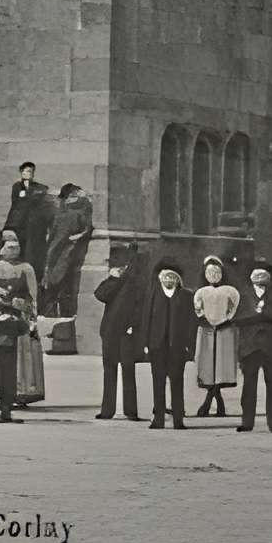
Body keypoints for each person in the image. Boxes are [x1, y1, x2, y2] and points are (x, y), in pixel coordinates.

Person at [234, 257, 272, 433]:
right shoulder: (242, 294)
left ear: (269, 277)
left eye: (264, 274)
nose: (260, 277)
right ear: (251, 276)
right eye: (256, 273)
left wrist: (259, 314)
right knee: (249, 386)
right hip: (249, 347)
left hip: (271, 346)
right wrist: (261, 315)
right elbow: (237, 318)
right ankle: (247, 422)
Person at [94, 243, 147, 422]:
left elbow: (140, 306)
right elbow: (100, 294)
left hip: (126, 331)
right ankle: (109, 410)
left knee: (127, 368)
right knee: (111, 369)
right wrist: (113, 279)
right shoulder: (116, 281)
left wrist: (134, 326)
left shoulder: (137, 281)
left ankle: (129, 410)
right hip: (111, 329)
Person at [143, 257, 197, 430]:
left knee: (177, 382)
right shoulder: (152, 294)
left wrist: (190, 344)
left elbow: (191, 323)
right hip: (157, 345)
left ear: (177, 279)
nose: (169, 280)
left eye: (172, 277)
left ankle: (178, 419)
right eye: (165, 277)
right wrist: (145, 342)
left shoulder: (186, 296)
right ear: (160, 278)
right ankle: (158, 418)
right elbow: (146, 320)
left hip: (177, 346)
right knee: (158, 382)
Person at [0, 229, 45, 406]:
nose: (13, 248)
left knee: (24, 351)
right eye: (8, 244)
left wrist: (28, 310)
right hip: (0, 314)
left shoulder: (27, 269)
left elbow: (33, 295)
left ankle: (22, 391)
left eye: (16, 244)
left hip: (21, 315)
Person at [40, 183, 94, 343]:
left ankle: (58, 330)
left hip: (64, 255)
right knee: (58, 290)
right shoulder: (65, 213)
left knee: (57, 289)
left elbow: (59, 241)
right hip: (61, 256)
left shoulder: (72, 213)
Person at [0, 262, 34, 423]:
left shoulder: (14, 312)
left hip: (9, 347)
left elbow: (23, 328)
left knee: (9, 380)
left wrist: (15, 320)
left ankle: (6, 409)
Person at [193, 253, 241, 418]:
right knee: (208, 368)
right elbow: (198, 311)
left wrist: (223, 320)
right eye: (209, 273)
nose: (213, 276)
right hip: (207, 331)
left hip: (224, 331)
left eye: (216, 272)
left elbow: (232, 310)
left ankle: (209, 403)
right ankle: (216, 403)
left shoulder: (231, 292)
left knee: (220, 368)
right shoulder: (200, 293)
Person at [6, 164, 52, 263]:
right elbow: (16, 204)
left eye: (30, 171)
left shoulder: (37, 186)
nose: (28, 174)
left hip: (32, 221)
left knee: (32, 245)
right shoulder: (17, 186)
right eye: (26, 171)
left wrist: (28, 195)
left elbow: (42, 191)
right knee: (21, 243)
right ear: (21, 173)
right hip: (20, 221)